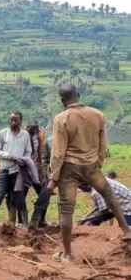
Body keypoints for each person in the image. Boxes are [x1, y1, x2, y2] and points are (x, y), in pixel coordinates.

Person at [48, 83, 131, 262]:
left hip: (69, 169)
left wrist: (53, 178)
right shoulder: (98, 115)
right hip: (91, 166)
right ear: (78, 94)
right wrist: (98, 164)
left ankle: (67, 254)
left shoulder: (61, 119)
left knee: (67, 210)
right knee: (110, 195)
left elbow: (58, 153)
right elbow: (103, 145)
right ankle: (126, 230)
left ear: (63, 100)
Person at [0, 111, 31, 226]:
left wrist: (23, 160)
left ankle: (14, 224)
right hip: (5, 169)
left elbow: (28, 151)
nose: (13, 122)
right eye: (11, 119)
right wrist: (10, 156)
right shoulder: (3, 133)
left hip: (18, 171)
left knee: (17, 197)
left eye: (16, 120)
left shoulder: (25, 135)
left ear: (20, 121)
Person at [26, 120, 51, 228]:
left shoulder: (41, 136)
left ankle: (41, 219)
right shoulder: (23, 136)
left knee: (45, 194)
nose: (33, 130)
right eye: (31, 128)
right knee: (20, 197)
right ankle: (22, 221)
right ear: (27, 127)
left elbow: (43, 153)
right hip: (25, 171)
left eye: (35, 128)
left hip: (38, 170)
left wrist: (43, 170)